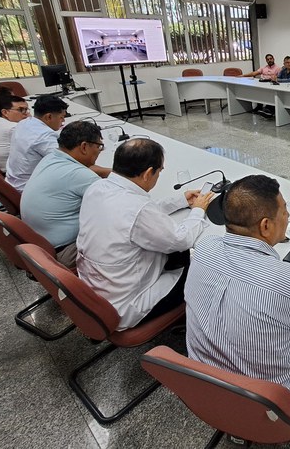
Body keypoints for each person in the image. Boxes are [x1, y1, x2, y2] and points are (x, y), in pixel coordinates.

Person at [185, 174, 290, 403]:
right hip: (274, 402)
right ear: (265, 225)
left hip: (206, 383)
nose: (287, 217)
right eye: (284, 211)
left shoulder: (205, 248)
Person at [76, 138, 215, 330]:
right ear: (149, 173)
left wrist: (180, 200)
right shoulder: (138, 209)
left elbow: (138, 214)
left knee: (176, 254)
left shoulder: (97, 188)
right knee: (201, 264)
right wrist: (199, 210)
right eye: (159, 171)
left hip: (95, 290)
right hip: (125, 305)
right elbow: (182, 239)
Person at [20, 121, 110, 268]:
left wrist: (107, 172)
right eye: (99, 146)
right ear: (84, 146)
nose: (100, 151)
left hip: (39, 243)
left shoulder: (50, 158)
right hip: (65, 251)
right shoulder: (80, 175)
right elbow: (118, 206)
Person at [5, 94, 67, 192]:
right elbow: (68, 163)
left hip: (14, 183)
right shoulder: (43, 136)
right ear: (49, 117)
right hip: (28, 190)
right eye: (62, 117)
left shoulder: (24, 123)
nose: (63, 120)